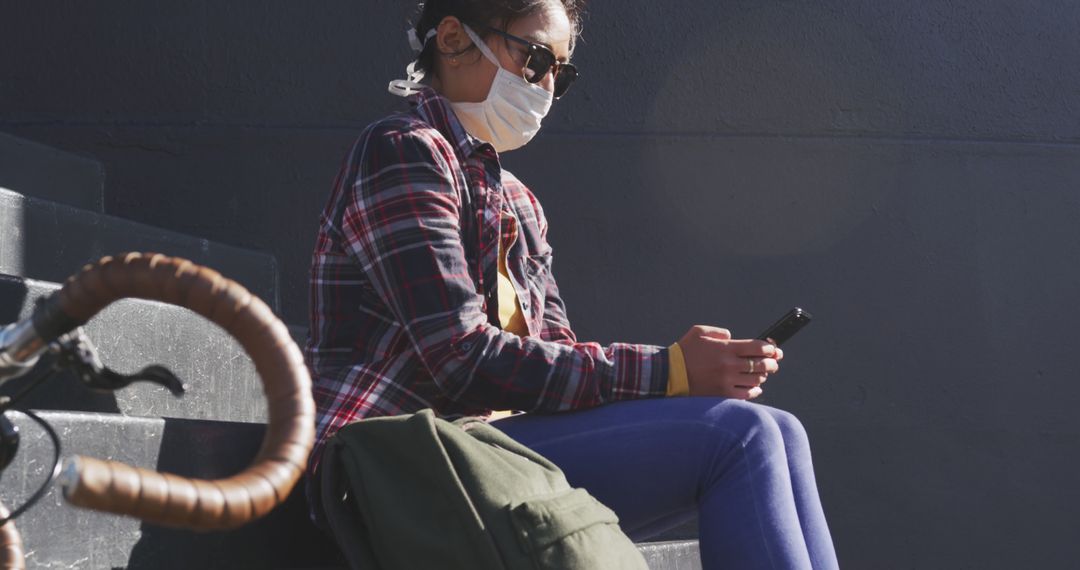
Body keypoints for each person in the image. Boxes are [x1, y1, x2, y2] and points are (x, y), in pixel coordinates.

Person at [305, 0, 839, 567]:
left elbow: (554, 360)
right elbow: (458, 358)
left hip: (503, 457)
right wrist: (670, 372)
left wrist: (688, 382)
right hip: (397, 469)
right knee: (742, 437)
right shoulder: (404, 150)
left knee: (781, 430)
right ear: (454, 40)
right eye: (535, 59)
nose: (546, 85)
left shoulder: (519, 204)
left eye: (562, 72)